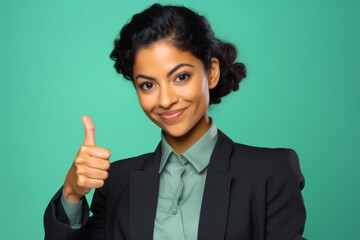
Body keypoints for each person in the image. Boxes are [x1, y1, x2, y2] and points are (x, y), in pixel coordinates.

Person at [44, 3, 306, 240]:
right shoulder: (116, 182)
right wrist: (72, 192)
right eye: (148, 84)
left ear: (211, 73)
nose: (165, 100)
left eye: (180, 77)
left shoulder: (270, 173)